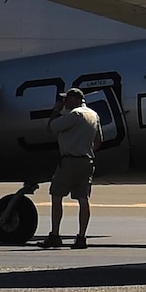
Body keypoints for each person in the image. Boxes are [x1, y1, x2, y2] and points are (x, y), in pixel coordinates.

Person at [42, 89, 101, 250]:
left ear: (74, 99)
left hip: (69, 161)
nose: (64, 103)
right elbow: (98, 141)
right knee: (83, 199)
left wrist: (56, 110)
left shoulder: (74, 115)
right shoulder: (93, 115)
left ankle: (55, 235)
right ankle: (81, 237)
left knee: (57, 196)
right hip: (87, 161)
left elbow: (51, 127)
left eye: (66, 99)